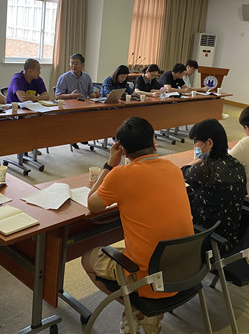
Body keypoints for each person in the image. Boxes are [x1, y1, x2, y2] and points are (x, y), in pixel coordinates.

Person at [82, 117, 193, 333]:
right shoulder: (173, 168)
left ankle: (137, 309)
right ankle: (144, 313)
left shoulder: (120, 175)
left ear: (123, 150)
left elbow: (92, 205)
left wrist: (110, 164)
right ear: (154, 142)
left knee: (88, 258)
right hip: (184, 267)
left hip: (150, 277)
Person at [181, 119, 246, 252]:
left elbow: (182, 172)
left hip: (207, 239)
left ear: (209, 143)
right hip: (231, 235)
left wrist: (197, 161)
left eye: (196, 142)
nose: (195, 146)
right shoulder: (237, 164)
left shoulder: (205, 169)